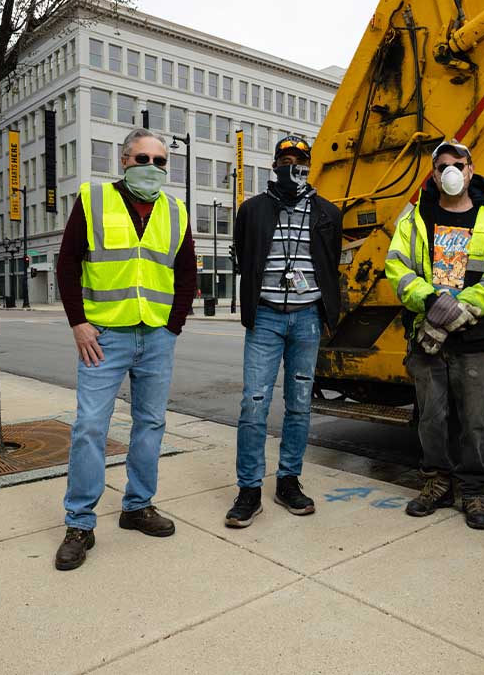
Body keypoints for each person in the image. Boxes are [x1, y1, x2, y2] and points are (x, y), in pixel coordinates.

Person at [53, 128, 196, 571]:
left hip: (155, 336)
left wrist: (173, 326)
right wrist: (79, 322)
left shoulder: (175, 209)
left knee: (150, 423)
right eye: (142, 159)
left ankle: (138, 507)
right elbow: (67, 263)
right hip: (104, 337)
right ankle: (80, 523)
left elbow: (187, 271)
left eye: (159, 161)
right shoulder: (94, 200)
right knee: (90, 427)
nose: (151, 168)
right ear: (124, 161)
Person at [385, 140, 484, 530]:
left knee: (475, 420)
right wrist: (432, 304)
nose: (450, 170)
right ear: (434, 172)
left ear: (471, 170)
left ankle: (473, 490)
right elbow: (398, 269)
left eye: (457, 163)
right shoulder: (414, 219)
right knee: (432, 417)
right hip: (427, 336)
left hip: (475, 339)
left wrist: (464, 308)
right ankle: (436, 483)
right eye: (442, 165)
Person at [224, 135, 342, 528]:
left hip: (307, 318)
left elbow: (329, 262)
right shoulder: (252, 210)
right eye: (285, 159)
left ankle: (288, 480)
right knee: (254, 403)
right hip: (266, 318)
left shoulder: (326, 212)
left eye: (300, 160)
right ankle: (249, 488)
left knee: (299, 405)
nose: (292, 165)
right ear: (274, 164)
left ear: (309, 165)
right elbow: (244, 255)